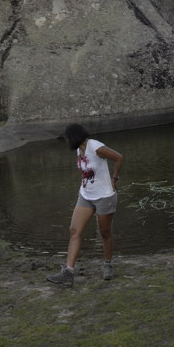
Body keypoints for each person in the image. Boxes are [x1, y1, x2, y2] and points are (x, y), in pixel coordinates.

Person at [46, 123, 124, 287]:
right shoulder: (78, 150)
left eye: (67, 138)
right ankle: (68, 272)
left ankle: (107, 264)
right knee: (74, 230)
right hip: (86, 195)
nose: (66, 141)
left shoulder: (95, 147)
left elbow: (119, 158)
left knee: (105, 233)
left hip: (104, 196)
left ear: (73, 137)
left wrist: (114, 179)